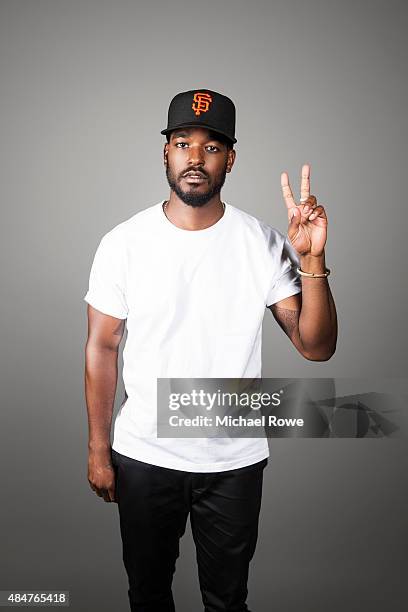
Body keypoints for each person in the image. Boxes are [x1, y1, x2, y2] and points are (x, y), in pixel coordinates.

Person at [84, 88, 337, 612]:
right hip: (145, 455)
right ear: (165, 153)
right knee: (148, 598)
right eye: (182, 143)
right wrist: (97, 449)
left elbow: (317, 347)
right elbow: (102, 347)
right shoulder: (123, 243)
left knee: (227, 601)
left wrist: (311, 259)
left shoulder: (262, 242)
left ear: (231, 159)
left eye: (212, 146)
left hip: (233, 460)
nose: (195, 159)